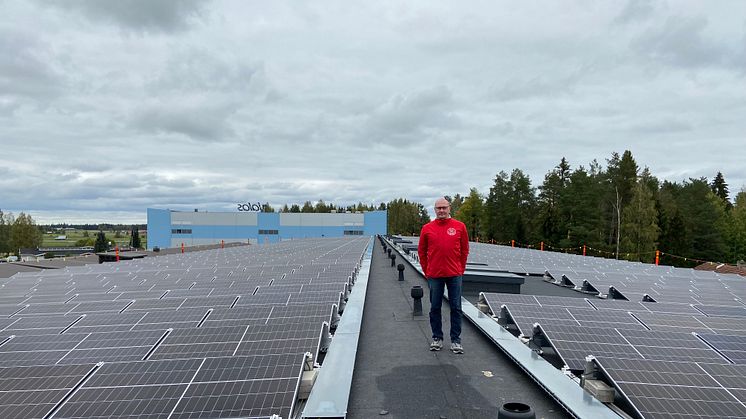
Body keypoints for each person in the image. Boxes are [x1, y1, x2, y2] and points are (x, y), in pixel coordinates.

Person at [417, 197, 469, 354]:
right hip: (435, 275)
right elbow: (421, 251)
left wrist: (460, 269)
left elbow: (465, 250)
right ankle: (437, 338)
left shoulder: (460, 227)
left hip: (454, 274)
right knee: (435, 307)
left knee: (456, 307)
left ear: (449, 208)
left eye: (444, 207)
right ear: (434, 210)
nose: (441, 210)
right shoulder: (427, 228)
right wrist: (427, 271)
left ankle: (456, 340)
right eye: (438, 208)